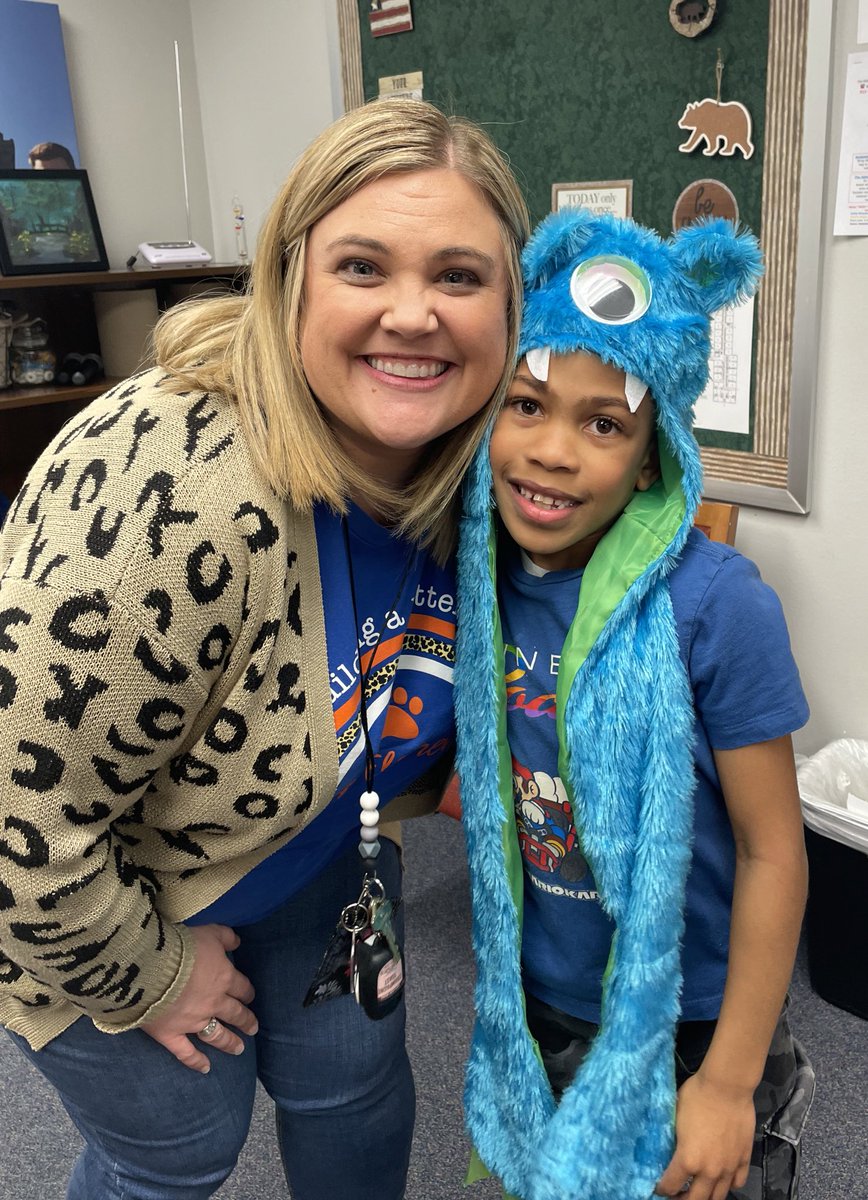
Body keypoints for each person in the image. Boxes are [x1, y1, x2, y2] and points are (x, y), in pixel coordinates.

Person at [0, 97, 529, 1200]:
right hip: (92, 892)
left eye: (460, 277)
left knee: (356, 1090)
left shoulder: (472, 463)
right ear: (289, 280)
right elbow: (16, 828)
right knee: (180, 1147)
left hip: (319, 842)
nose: (415, 314)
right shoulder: (178, 493)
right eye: (363, 267)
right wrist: (145, 977)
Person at [454, 210, 815, 1200]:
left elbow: (773, 849)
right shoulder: (476, 583)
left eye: (602, 423)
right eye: (524, 406)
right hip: (542, 1003)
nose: (552, 450)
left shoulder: (715, 606)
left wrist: (731, 1082)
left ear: (654, 456)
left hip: (698, 1019)